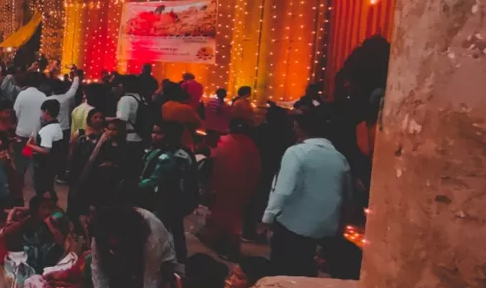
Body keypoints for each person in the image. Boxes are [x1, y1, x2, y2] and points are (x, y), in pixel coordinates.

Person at [262, 112, 351, 277]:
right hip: (327, 226)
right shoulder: (339, 157)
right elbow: (347, 194)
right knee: (306, 270)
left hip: (295, 226)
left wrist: (268, 217)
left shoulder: (296, 152)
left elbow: (283, 189)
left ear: (301, 130)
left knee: (284, 270)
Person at [200, 119, 263, 257]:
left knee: (222, 215)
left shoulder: (224, 140)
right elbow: (257, 167)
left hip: (223, 184)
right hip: (244, 186)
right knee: (235, 218)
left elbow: (215, 160)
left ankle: (223, 246)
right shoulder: (251, 144)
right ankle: (231, 247)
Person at [137, 121, 197, 258]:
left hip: (168, 198)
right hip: (163, 198)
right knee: (175, 230)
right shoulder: (157, 149)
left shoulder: (173, 155)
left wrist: (135, 187)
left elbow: (157, 179)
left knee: (159, 229)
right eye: (153, 132)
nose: (154, 136)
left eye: (159, 133)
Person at [23, 100, 66, 198]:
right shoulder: (58, 127)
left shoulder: (46, 130)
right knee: (49, 188)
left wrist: (29, 145)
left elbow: (46, 150)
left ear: (46, 112)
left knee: (42, 190)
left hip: (44, 166)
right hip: (53, 165)